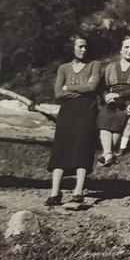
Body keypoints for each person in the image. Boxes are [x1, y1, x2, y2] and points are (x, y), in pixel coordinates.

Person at [45, 35, 102, 206]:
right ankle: (55, 192)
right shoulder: (64, 68)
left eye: (86, 47)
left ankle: (79, 191)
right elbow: (58, 93)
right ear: (72, 48)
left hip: (87, 109)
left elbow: (92, 87)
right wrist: (81, 89)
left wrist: (68, 88)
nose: (84, 50)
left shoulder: (94, 65)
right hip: (67, 111)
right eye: (80, 47)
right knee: (61, 147)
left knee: (82, 146)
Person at [96, 36, 130, 166]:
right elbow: (102, 87)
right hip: (112, 99)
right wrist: (106, 95)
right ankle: (109, 154)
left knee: (121, 116)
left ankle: (107, 153)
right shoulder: (111, 66)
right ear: (121, 50)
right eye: (126, 47)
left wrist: (118, 94)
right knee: (105, 114)